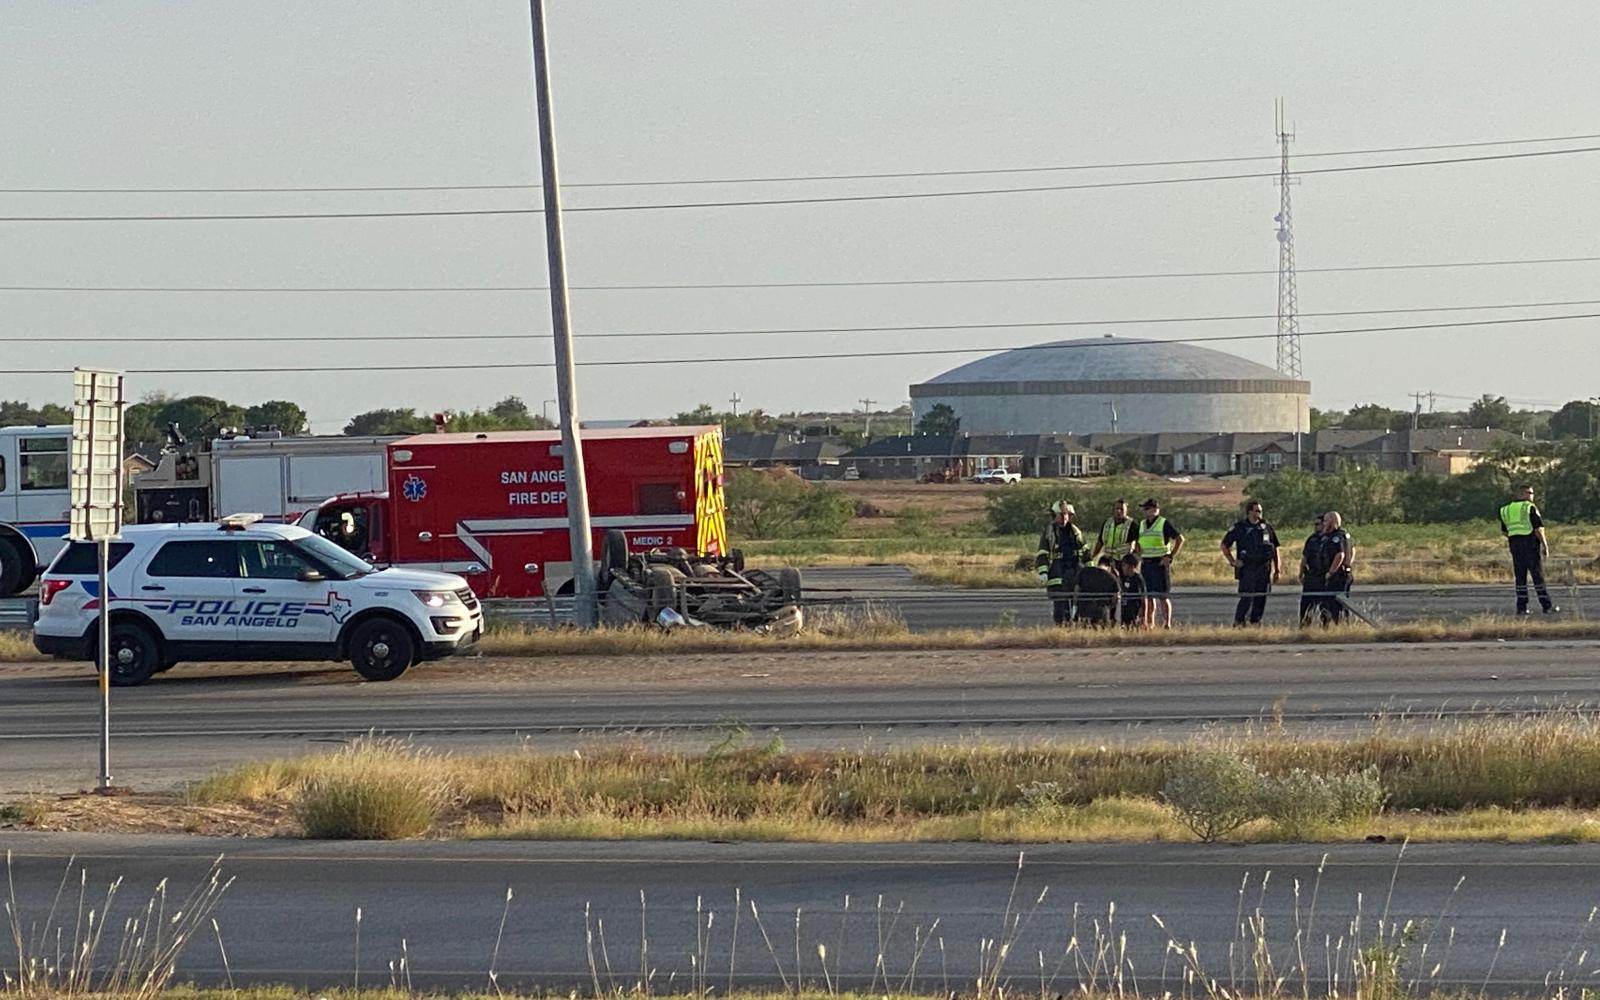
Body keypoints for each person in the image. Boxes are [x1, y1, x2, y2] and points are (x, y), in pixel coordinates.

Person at [1499, 484, 1558, 615]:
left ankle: (1521, 607)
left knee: (1520, 577)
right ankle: (1546, 606)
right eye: (1529, 493)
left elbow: (1504, 531)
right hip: (1530, 543)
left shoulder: (1505, 509)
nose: (1532, 496)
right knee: (1537, 576)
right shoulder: (1529, 507)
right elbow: (1538, 529)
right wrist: (1545, 545)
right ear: (1521, 494)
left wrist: (1515, 538)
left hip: (1515, 545)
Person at [1221, 500, 1281, 626]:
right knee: (1246, 598)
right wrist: (1232, 561)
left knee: (1261, 598)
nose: (1260, 513)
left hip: (1264, 569)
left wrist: (1277, 570)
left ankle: (1255, 623)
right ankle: (1239, 623)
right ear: (1249, 512)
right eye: (1257, 511)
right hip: (1247, 569)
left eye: (1260, 511)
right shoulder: (1240, 527)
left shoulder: (1266, 528)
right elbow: (1224, 545)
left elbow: (1275, 549)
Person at [1133, 498, 1184, 628]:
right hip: (1146, 563)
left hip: (1159, 563)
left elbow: (1180, 539)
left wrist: (1170, 556)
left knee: (1162, 596)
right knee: (1148, 595)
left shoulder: (1163, 523)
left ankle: (1167, 623)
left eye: (1147, 508)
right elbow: (1138, 541)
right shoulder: (1142, 524)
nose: (1145, 511)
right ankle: (1150, 623)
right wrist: (1137, 552)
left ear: (1154, 509)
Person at [1035, 500, 1088, 626]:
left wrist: (1090, 571)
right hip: (1057, 575)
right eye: (1062, 514)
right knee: (1060, 607)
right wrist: (1043, 572)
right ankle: (1061, 627)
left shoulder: (1075, 532)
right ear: (1054, 515)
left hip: (1074, 573)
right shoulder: (1049, 533)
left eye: (1067, 514)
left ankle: (1074, 627)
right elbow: (1042, 553)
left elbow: (1086, 552)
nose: (1065, 517)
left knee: (1077, 606)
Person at [1321, 511, 1354, 624]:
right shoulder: (1345, 535)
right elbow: (1353, 550)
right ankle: (1342, 624)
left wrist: (1330, 572)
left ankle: (1339, 625)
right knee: (1343, 602)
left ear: (1332, 521)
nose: (1324, 524)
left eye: (1325, 521)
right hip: (1345, 573)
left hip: (1337, 576)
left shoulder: (1336, 537)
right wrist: (1348, 564)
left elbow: (1340, 555)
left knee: (1335, 604)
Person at [1073, 555, 1121, 627]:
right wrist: (1110, 607)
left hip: (1083, 610)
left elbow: (1076, 591)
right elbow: (1116, 598)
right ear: (1109, 567)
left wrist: (1076, 606)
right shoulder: (1111, 577)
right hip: (1102, 612)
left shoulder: (1084, 572)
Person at [1298, 513, 1327, 626]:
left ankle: (1326, 627)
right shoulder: (1312, 539)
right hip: (1312, 576)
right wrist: (1301, 573)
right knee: (1307, 605)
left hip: (1324, 577)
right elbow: (1305, 557)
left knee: (1325, 605)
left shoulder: (1331, 538)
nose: (1315, 527)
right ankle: (1304, 626)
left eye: (1318, 524)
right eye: (1315, 524)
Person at [1115, 553, 1149, 628]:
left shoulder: (1138, 579)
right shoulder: (1123, 578)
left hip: (1135, 609)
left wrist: (1144, 618)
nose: (1122, 568)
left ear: (1132, 566)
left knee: (1134, 626)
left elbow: (1144, 598)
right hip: (1124, 608)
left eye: (1124, 565)